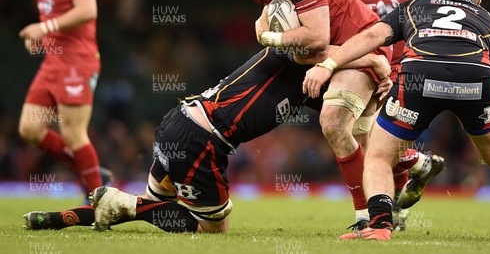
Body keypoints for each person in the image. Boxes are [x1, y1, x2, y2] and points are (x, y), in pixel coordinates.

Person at [303, 0, 490, 242]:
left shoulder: (419, 3)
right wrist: (482, 105)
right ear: (478, 0)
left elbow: (373, 37)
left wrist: (330, 63)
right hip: (475, 78)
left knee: (380, 155)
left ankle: (380, 226)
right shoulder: (488, 19)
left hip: (422, 74)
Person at [23, 46, 391, 232]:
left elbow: (345, 115)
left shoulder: (309, 89)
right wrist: (374, 61)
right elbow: (318, 49)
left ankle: (56, 219)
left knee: (158, 204)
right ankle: (124, 202)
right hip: (202, 140)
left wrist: (371, 91)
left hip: (179, 122)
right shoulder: (288, 57)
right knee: (210, 228)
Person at [221, 0, 420, 230]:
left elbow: (314, 37)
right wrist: (276, 39)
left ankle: (366, 218)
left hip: (360, 45)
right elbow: (284, 34)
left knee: (334, 122)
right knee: (367, 140)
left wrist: (271, 38)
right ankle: (416, 163)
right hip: (339, 55)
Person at [334, 0, 451, 230]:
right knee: (363, 137)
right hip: (366, 65)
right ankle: (416, 169)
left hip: (409, 69)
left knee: (379, 143)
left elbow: (450, 14)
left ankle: (390, 209)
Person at [18, 0, 110, 201]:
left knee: (73, 133)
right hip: (53, 62)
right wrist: (42, 37)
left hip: (77, 61)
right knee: (30, 128)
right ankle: (93, 172)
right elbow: (57, 14)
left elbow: (88, 10)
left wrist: (44, 26)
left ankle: (98, 198)